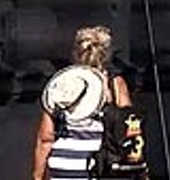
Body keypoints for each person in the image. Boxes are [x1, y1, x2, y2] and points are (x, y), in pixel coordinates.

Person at [33, 25, 135, 180]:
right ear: (106, 54)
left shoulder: (63, 83)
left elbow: (45, 138)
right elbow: (129, 128)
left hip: (63, 165)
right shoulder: (114, 84)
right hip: (98, 164)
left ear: (76, 53)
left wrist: (37, 176)